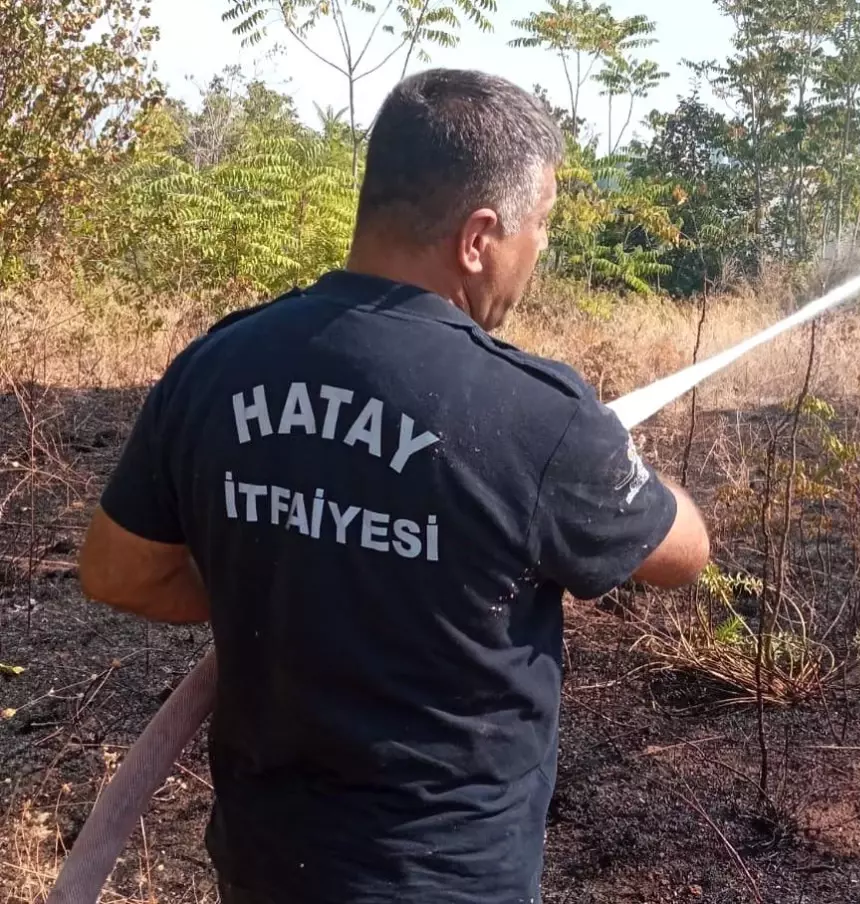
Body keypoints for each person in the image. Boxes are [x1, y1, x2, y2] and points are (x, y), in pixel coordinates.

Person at [76, 68, 710, 904]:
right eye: (542, 227)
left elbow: (116, 571)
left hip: (264, 864)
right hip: (444, 879)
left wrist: (288, 574)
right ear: (479, 235)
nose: (543, 250)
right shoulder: (535, 414)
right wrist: (598, 454)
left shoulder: (217, 366)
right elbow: (683, 552)